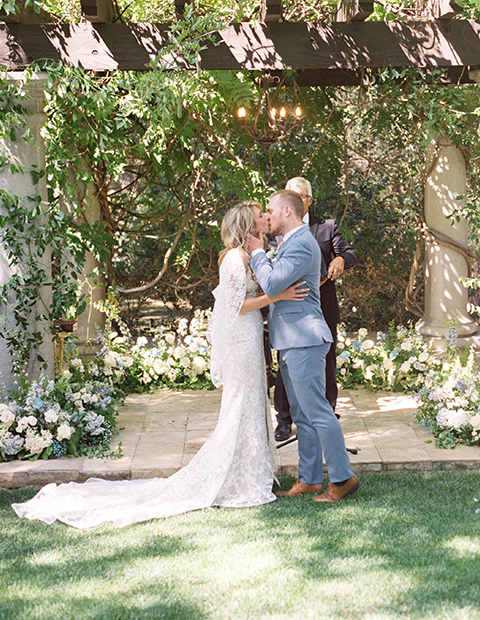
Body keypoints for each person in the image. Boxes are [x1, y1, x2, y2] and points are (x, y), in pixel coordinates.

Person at [12, 201, 308, 528]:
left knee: (252, 404)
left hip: (250, 337)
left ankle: (252, 476)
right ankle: (239, 480)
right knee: (242, 405)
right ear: (243, 225)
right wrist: (276, 297)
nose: (263, 220)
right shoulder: (235, 259)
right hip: (241, 339)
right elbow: (238, 307)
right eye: (257, 218)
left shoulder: (246, 254)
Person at [248, 190, 359, 502]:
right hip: (291, 339)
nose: (267, 216)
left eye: (270, 210)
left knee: (318, 411)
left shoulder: (300, 243)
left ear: (287, 211)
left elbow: (272, 284)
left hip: (305, 339)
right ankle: (309, 479)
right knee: (303, 415)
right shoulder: (289, 243)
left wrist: (257, 253)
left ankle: (342, 478)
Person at [273, 177, 359, 442]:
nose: (297, 200)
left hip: (322, 305)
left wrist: (341, 259)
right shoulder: (277, 231)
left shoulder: (326, 227)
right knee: (286, 364)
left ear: (310, 200)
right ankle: (284, 419)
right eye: (292, 195)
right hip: (289, 306)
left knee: (327, 361)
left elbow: (350, 252)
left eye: (302, 196)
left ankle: (327, 413)